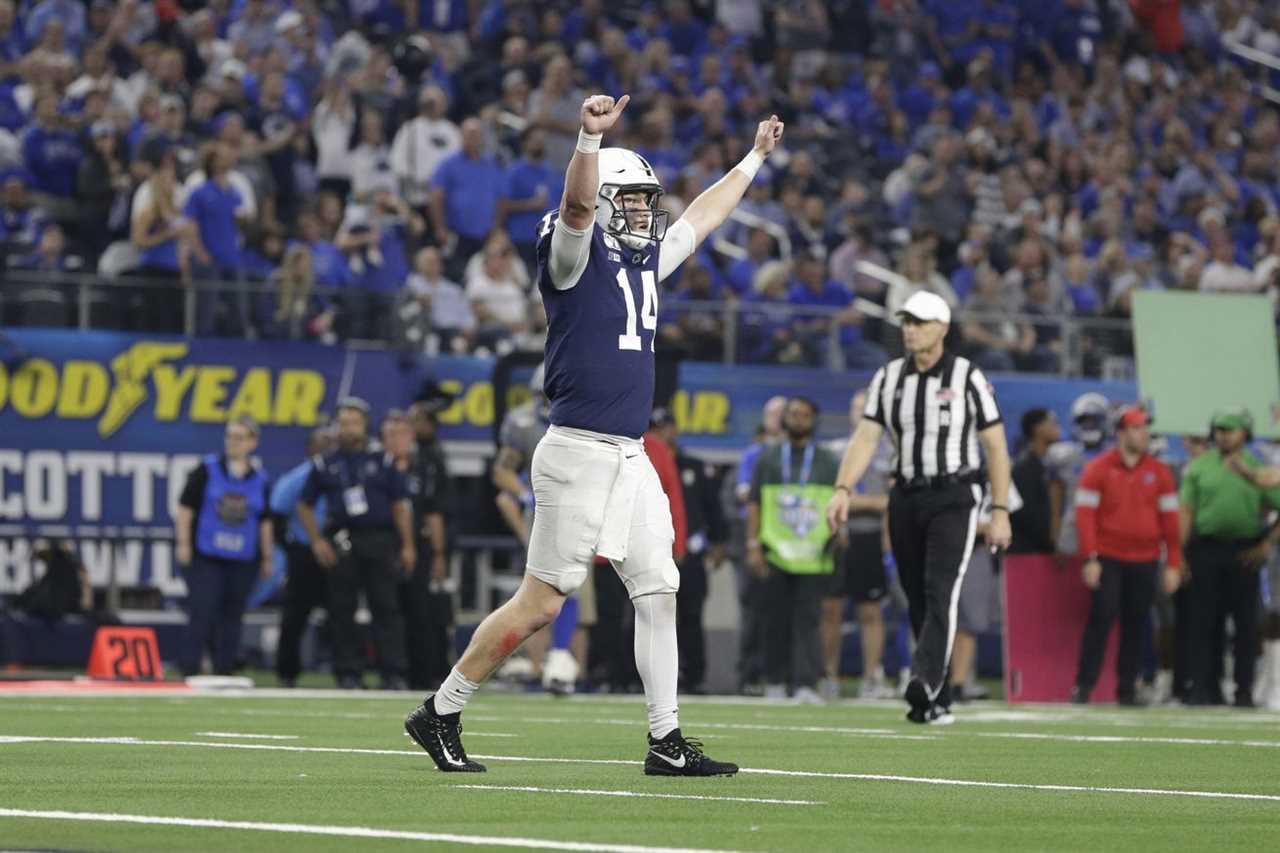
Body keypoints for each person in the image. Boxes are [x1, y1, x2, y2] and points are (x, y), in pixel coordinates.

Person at [405, 92, 784, 776]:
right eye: (633, 200)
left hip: (629, 455)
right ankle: (442, 707)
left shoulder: (642, 260)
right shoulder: (575, 252)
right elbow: (577, 209)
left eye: (646, 200)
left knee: (658, 587)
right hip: (577, 448)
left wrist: (752, 160)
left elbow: (700, 216)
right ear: (606, 201)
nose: (645, 211)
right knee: (543, 603)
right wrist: (585, 139)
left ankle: (665, 739)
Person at [826, 291, 1013, 724]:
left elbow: (996, 447)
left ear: (943, 328)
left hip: (955, 495)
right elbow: (867, 438)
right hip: (905, 494)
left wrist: (1000, 510)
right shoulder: (889, 377)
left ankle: (923, 679)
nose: (911, 329)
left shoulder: (968, 376)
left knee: (939, 588)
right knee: (915, 596)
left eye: (921, 322)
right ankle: (938, 697)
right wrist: (843, 489)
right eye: (907, 321)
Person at [297, 398, 417, 690]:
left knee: (386, 606)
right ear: (336, 427)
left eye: (354, 422)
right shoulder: (325, 462)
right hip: (342, 539)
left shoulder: (383, 460)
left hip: (380, 538)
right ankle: (348, 672)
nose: (348, 429)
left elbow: (401, 505)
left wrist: (407, 545)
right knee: (342, 608)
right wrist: (316, 541)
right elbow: (304, 504)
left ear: (365, 425)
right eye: (343, 423)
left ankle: (392, 672)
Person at [491, 365, 595, 694]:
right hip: (541, 512)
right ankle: (540, 669)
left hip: (578, 512)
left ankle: (569, 671)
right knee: (537, 596)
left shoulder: (586, 418)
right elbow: (502, 472)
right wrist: (526, 495)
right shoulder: (523, 423)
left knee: (576, 591)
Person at [1071, 406, 1182, 705]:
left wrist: (1172, 563)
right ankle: (1083, 686)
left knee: (1136, 623)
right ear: (1121, 432)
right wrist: (1091, 557)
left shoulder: (1159, 473)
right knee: (1101, 619)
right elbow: (1085, 517)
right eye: (1137, 428)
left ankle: (1127, 690)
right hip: (1108, 557)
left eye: (1145, 428)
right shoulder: (1098, 468)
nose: (1144, 434)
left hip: (1145, 559)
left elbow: (1171, 522)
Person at [1180, 409, 1280, 707]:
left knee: (1246, 625)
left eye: (1230, 429)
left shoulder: (1257, 465)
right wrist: (1179, 554)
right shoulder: (1200, 467)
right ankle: (1203, 688)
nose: (1223, 435)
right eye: (1219, 429)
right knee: (1204, 622)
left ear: (1244, 433)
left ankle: (1244, 690)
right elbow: (1186, 511)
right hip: (1206, 550)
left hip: (1244, 552)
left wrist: (1266, 545)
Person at [747, 395, 840, 702]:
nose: (799, 419)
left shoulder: (828, 460)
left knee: (809, 621)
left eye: (805, 414)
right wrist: (753, 545)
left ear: (814, 420)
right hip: (775, 551)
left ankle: (806, 684)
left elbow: (837, 502)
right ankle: (774, 681)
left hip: (815, 555)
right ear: (784, 419)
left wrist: (840, 532)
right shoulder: (769, 457)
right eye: (793, 414)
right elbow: (754, 504)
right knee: (775, 620)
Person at [174, 415, 273, 677]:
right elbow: (186, 509)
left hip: (242, 558)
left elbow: (264, 521)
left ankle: (224, 669)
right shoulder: (207, 469)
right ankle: (191, 667)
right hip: (207, 554)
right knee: (202, 609)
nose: (232, 443)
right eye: (229, 436)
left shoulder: (260, 479)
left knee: (233, 615)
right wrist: (183, 543)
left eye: (239, 438)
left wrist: (267, 557)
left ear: (253, 443)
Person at [821, 390, 896, 701]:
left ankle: (870, 677)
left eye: (866, 408)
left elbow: (893, 501)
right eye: (856, 407)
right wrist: (873, 503)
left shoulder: (892, 453)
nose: (861, 412)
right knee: (831, 610)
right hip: (838, 536)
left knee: (871, 611)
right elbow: (826, 498)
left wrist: (855, 503)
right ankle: (828, 677)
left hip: (870, 539)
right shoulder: (834, 451)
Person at [650, 408, 728, 694]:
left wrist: (719, 541)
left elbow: (713, 508)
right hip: (652, 551)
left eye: (665, 427)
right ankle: (646, 678)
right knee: (650, 616)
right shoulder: (641, 463)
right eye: (655, 428)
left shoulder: (695, 466)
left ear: (675, 429)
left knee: (692, 615)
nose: (661, 434)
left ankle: (694, 676)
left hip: (690, 552)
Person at [271, 427, 333, 688]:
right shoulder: (298, 477)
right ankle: (287, 671)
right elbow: (276, 511)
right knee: (295, 614)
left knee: (342, 615)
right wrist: (292, 547)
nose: (327, 451)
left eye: (330, 445)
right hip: (306, 553)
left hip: (339, 553)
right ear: (310, 450)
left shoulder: (340, 473)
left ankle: (345, 670)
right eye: (321, 445)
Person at [1009, 408, 1064, 554]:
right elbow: (1025, 514)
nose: (1057, 427)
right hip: (1028, 554)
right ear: (1038, 429)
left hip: (1052, 550)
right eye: (1052, 423)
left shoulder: (1056, 465)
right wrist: (1052, 540)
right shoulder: (1023, 468)